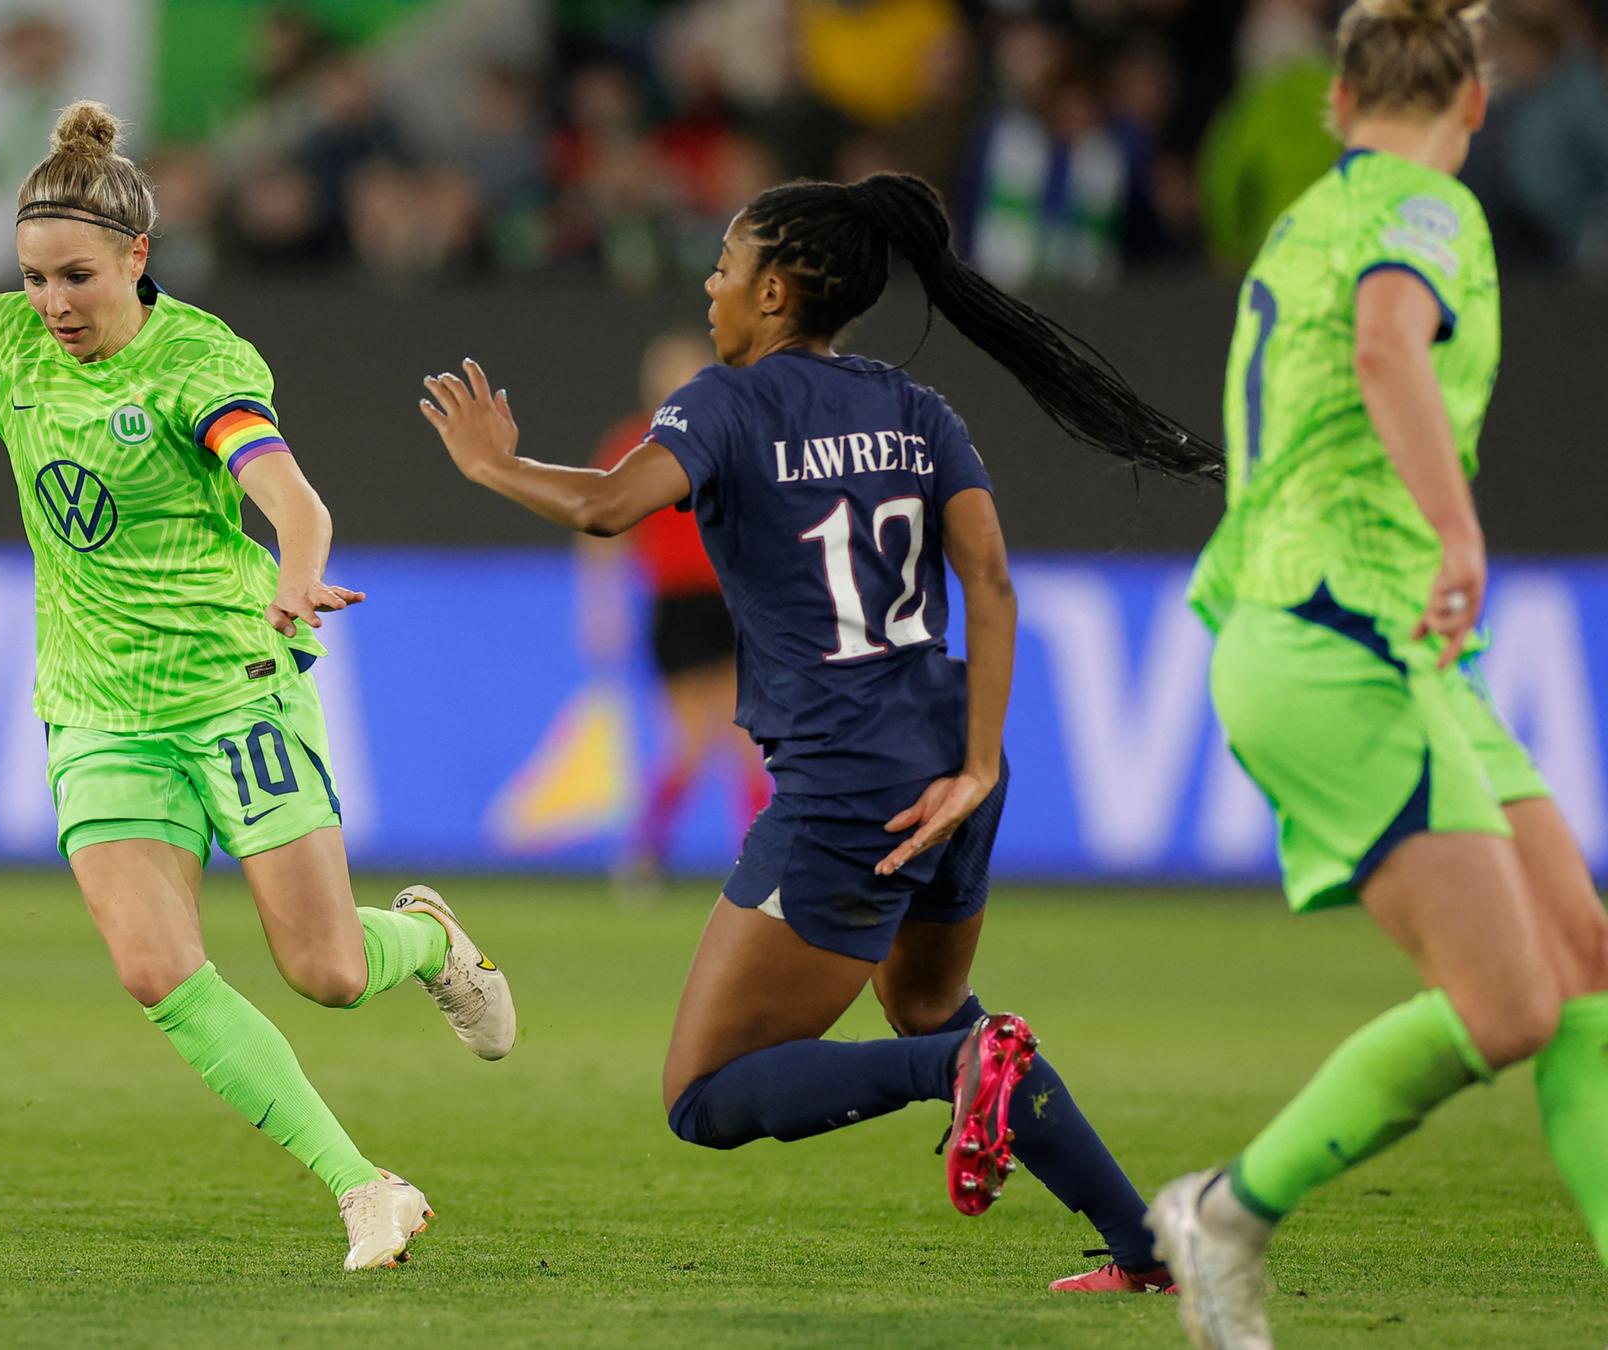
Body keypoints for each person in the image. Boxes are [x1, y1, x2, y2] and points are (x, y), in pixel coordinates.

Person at [418, 171, 1220, 1291]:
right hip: (951, 755)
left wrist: (492, 465)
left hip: (848, 783)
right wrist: (982, 761)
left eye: (728, 265)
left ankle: (954, 1076)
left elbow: (609, 505)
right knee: (935, 1005)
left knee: (704, 1095)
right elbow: (988, 578)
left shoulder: (724, 403)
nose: (712, 284)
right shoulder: (915, 407)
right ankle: (1145, 1249)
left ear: (778, 290)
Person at [0, 103, 516, 1272]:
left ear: (139, 257)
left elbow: (293, 498)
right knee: (154, 969)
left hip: (235, 688)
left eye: (77, 277)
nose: (54, 305)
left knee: (328, 973)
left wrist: (295, 582)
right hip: (94, 709)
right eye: (34, 278)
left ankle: (430, 945)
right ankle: (363, 1187)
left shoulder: (203, 359)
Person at [1153, 2, 1608, 1344]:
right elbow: (1384, 341)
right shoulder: (1427, 208)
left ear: (1336, 103)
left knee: (1580, 960)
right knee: (1512, 1000)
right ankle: (1224, 1210)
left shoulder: (1307, 218)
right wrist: (1460, 527)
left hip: (1373, 643)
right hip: (1332, 631)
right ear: (1474, 107)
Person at [575, 327, 765, 883]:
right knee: (690, 740)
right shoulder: (635, 445)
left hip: (729, 602)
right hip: (677, 607)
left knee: (743, 738)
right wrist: (600, 606)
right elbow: (598, 529)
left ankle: (739, 858)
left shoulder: (732, 443)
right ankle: (646, 854)